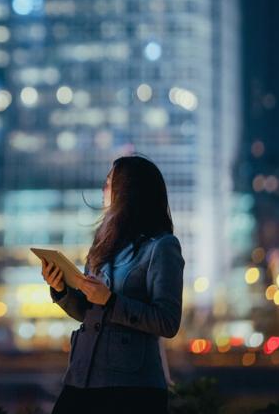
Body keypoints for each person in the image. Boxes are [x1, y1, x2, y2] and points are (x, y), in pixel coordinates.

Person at [41, 155, 184, 414]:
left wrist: (111, 300)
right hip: (82, 377)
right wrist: (61, 289)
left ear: (129, 190)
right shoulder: (103, 244)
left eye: (110, 182)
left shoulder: (161, 246)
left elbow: (168, 321)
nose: (103, 189)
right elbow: (87, 313)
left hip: (132, 387)